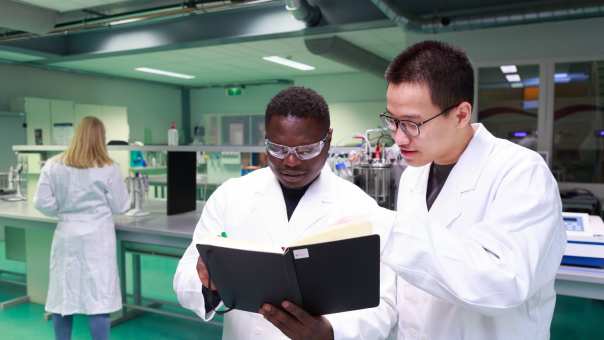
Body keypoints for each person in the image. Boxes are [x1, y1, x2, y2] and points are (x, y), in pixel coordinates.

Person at [173, 86, 397, 340]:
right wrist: (208, 285)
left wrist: (331, 333)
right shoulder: (231, 196)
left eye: (305, 150)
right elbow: (186, 272)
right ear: (265, 138)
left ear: (328, 139)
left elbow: (384, 305)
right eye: (278, 149)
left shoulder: (362, 210)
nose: (290, 161)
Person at [378, 40, 567, 340]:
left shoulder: (521, 174)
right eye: (392, 120)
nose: (399, 138)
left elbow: (503, 284)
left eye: (412, 123)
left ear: (462, 114)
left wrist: (387, 231)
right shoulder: (415, 174)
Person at [34, 116, 130, 340]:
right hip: (98, 238)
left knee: (62, 299)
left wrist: (64, 211)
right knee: (98, 301)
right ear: (101, 138)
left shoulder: (54, 165)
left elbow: (41, 202)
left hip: (67, 235)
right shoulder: (108, 168)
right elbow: (121, 205)